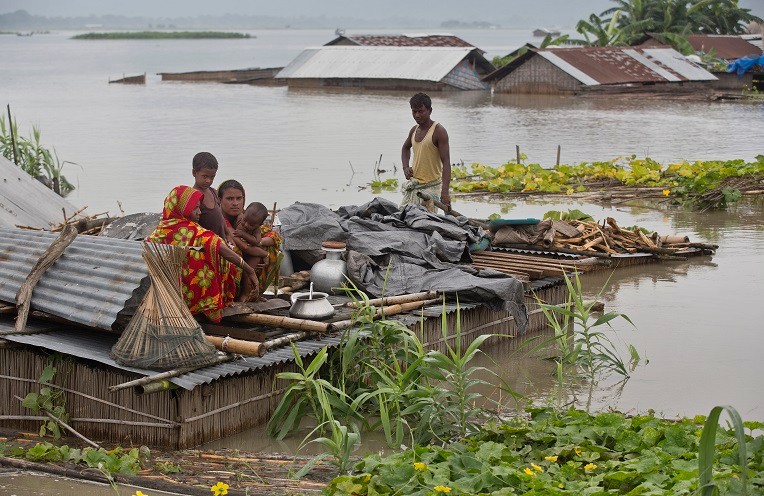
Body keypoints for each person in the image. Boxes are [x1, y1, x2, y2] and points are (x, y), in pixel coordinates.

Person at [146, 185, 260, 322]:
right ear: (183, 209)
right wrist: (249, 270)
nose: (199, 212)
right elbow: (220, 248)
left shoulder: (160, 229)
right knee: (215, 254)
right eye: (195, 208)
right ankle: (208, 304)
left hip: (168, 292)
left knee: (200, 252)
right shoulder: (191, 231)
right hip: (189, 293)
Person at [400, 92, 451, 212]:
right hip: (415, 186)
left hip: (431, 187)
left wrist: (445, 192)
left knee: (424, 222)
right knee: (402, 218)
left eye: (421, 111)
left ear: (429, 110)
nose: (417, 115)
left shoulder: (439, 131)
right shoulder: (414, 130)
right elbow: (405, 148)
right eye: (414, 111)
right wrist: (405, 167)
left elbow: (447, 163)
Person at [232, 202, 282, 294]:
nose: (246, 225)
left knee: (248, 274)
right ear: (243, 213)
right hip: (240, 251)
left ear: (260, 224)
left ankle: (246, 294)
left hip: (252, 252)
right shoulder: (239, 221)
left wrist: (244, 234)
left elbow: (256, 241)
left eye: (251, 225)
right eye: (245, 220)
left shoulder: (257, 230)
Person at [191, 152, 227, 240]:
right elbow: (192, 225)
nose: (208, 181)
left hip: (221, 240)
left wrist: (228, 235)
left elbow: (221, 218)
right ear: (194, 173)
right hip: (207, 243)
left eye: (212, 177)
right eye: (205, 176)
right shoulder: (193, 197)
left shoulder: (214, 192)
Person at [217, 179, 246, 243]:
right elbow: (243, 245)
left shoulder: (248, 216)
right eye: (230, 199)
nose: (235, 203)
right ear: (219, 200)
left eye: (239, 198)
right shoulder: (217, 219)